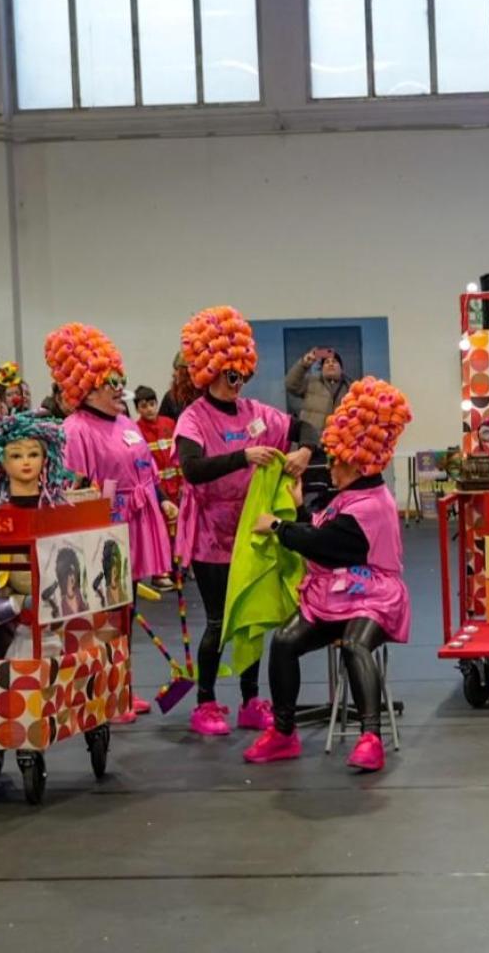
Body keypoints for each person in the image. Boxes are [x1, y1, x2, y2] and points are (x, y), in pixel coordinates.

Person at [245, 377, 414, 772]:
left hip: (374, 595)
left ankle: (370, 737)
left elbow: (323, 543)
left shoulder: (372, 506)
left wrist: (278, 527)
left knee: (356, 644)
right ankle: (284, 733)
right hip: (332, 594)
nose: (330, 466)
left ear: (357, 463)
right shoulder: (350, 496)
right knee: (284, 642)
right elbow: (322, 531)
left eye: (336, 460)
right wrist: (302, 510)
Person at [173, 306, 310, 737]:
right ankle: (206, 702)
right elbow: (192, 470)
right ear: (210, 369)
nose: (238, 385)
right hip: (211, 535)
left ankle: (252, 700)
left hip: (251, 531)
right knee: (219, 621)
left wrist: (304, 452)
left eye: (242, 377)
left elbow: (305, 428)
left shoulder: (256, 412)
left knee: (251, 617)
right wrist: (243, 456)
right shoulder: (193, 418)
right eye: (231, 377)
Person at [45, 323, 175, 592]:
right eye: (112, 382)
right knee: (109, 603)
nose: (120, 388)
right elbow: (70, 490)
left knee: (129, 602)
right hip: (107, 527)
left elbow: (146, 468)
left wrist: (162, 501)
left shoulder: (126, 423)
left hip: (140, 520)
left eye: (122, 380)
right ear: (88, 389)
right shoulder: (75, 429)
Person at [134, 385, 182, 510]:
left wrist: (183, 482)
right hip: (157, 490)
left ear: (157, 403)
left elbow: (179, 455)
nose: (149, 409)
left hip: (178, 487)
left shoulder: (170, 423)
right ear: (137, 409)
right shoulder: (136, 430)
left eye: (152, 404)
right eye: (144, 406)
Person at [285, 347, 351, 435]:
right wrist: (304, 364)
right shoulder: (311, 382)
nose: (331, 364)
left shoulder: (351, 388)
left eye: (334, 362)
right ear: (322, 368)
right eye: (327, 362)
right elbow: (290, 384)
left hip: (340, 442)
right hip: (312, 441)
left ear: (341, 368)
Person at [158, 353, 197, 422]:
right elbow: (162, 426)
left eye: (176, 369)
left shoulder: (203, 396)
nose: (173, 374)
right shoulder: (170, 397)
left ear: (186, 372)